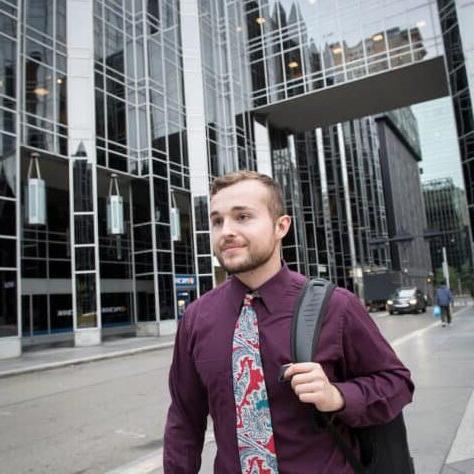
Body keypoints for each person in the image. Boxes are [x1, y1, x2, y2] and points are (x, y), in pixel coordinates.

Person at [164, 171, 414, 473]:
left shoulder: (336, 306)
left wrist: (338, 396)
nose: (226, 231)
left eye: (242, 216)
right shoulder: (196, 318)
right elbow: (184, 419)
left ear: (281, 226)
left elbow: (397, 382)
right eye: (217, 221)